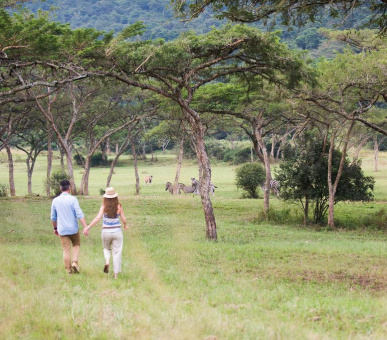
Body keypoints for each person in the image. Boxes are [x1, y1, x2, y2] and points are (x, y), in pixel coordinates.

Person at [83, 187, 128, 279]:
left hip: (106, 232)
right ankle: (116, 275)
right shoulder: (119, 206)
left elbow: (97, 218)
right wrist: (125, 225)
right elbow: (123, 218)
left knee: (106, 249)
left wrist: (88, 227)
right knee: (117, 252)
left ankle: (107, 261)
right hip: (117, 232)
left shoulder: (103, 206)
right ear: (115, 196)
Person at [51, 180, 88, 274]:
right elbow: (79, 214)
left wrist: (55, 228)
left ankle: (68, 270)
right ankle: (75, 262)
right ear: (69, 188)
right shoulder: (73, 199)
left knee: (66, 249)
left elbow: (53, 217)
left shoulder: (55, 201)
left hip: (62, 229)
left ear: (60, 188)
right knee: (76, 244)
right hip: (73, 229)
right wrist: (85, 226)